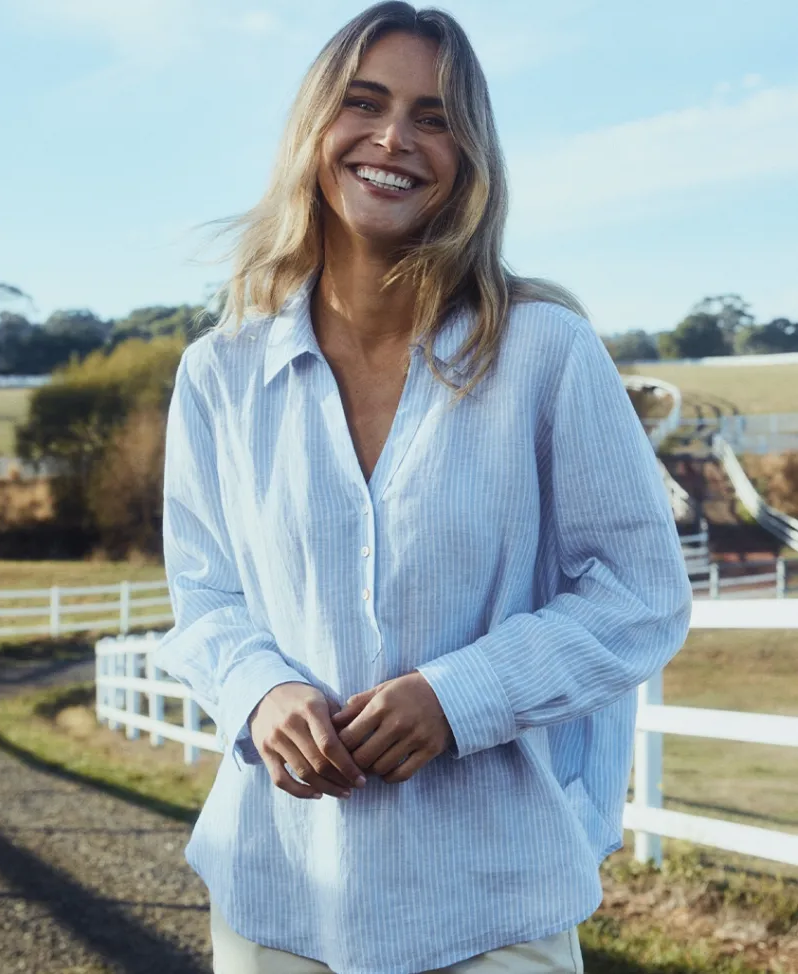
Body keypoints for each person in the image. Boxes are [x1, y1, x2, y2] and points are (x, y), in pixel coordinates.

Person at [151, 3, 692, 972]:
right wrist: (259, 689)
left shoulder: (544, 353)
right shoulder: (217, 374)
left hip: (490, 909)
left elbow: (638, 590)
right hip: (275, 901)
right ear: (315, 130)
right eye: (363, 102)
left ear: (468, 157)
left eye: (433, 116)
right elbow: (202, 596)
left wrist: (458, 696)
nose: (394, 137)